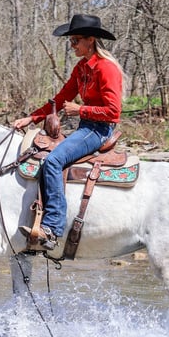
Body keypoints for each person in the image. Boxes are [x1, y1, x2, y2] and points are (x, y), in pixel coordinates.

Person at [13, 14, 125, 250]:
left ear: (90, 40)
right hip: (86, 127)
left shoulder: (106, 68)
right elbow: (61, 98)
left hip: (99, 130)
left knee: (53, 161)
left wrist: (80, 109)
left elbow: (113, 112)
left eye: (75, 40)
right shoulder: (82, 68)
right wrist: (32, 118)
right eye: (71, 41)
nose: (72, 45)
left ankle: (52, 228)